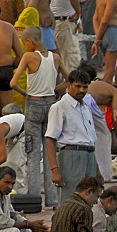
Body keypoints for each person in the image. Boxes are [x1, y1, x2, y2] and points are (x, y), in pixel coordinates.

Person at [9, 25, 65, 207]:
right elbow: (70, 78)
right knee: (50, 152)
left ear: (31, 41)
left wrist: (26, 93)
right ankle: (52, 199)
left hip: (33, 104)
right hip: (51, 104)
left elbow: (13, 82)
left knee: (32, 153)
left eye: (25, 42)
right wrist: (55, 90)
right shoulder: (55, 58)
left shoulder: (28, 56)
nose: (25, 46)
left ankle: (34, 200)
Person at [45, 69, 97, 202]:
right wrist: (55, 170)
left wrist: (98, 170)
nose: (82, 90)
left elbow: (90, 141)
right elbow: (50, 139)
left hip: (89, 156)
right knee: (71, 199)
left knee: (90, 199)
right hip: (71, 156)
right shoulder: (59, 107)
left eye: (85, 87)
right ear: (69, 85)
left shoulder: (85, 107)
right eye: (78, 86)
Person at [49, 0, 81, 74]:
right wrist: (78, 11)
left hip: (56, 25)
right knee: (71, 61)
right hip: (66, 24)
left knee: (60, 62)